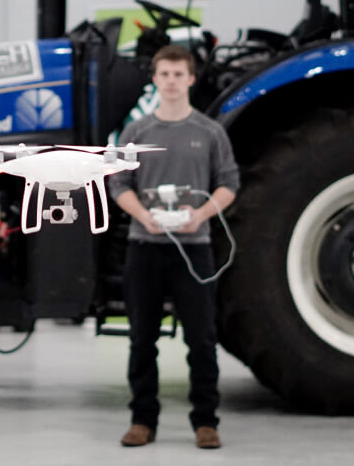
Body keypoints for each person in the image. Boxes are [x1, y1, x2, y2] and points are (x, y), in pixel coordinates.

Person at [108, 44, 240, 449]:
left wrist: (201, 215)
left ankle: (206, 422)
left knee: (200, 338)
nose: (170, 81)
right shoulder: (137, 133)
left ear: (190, 80)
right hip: (144, 248)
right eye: (164, 74)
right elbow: (117, 183)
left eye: (178, 75)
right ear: (155, 79)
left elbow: (229, 184)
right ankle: (142, 421)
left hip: (194, 248)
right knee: (141, 338)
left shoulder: (209, 133)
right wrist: (142, 215)